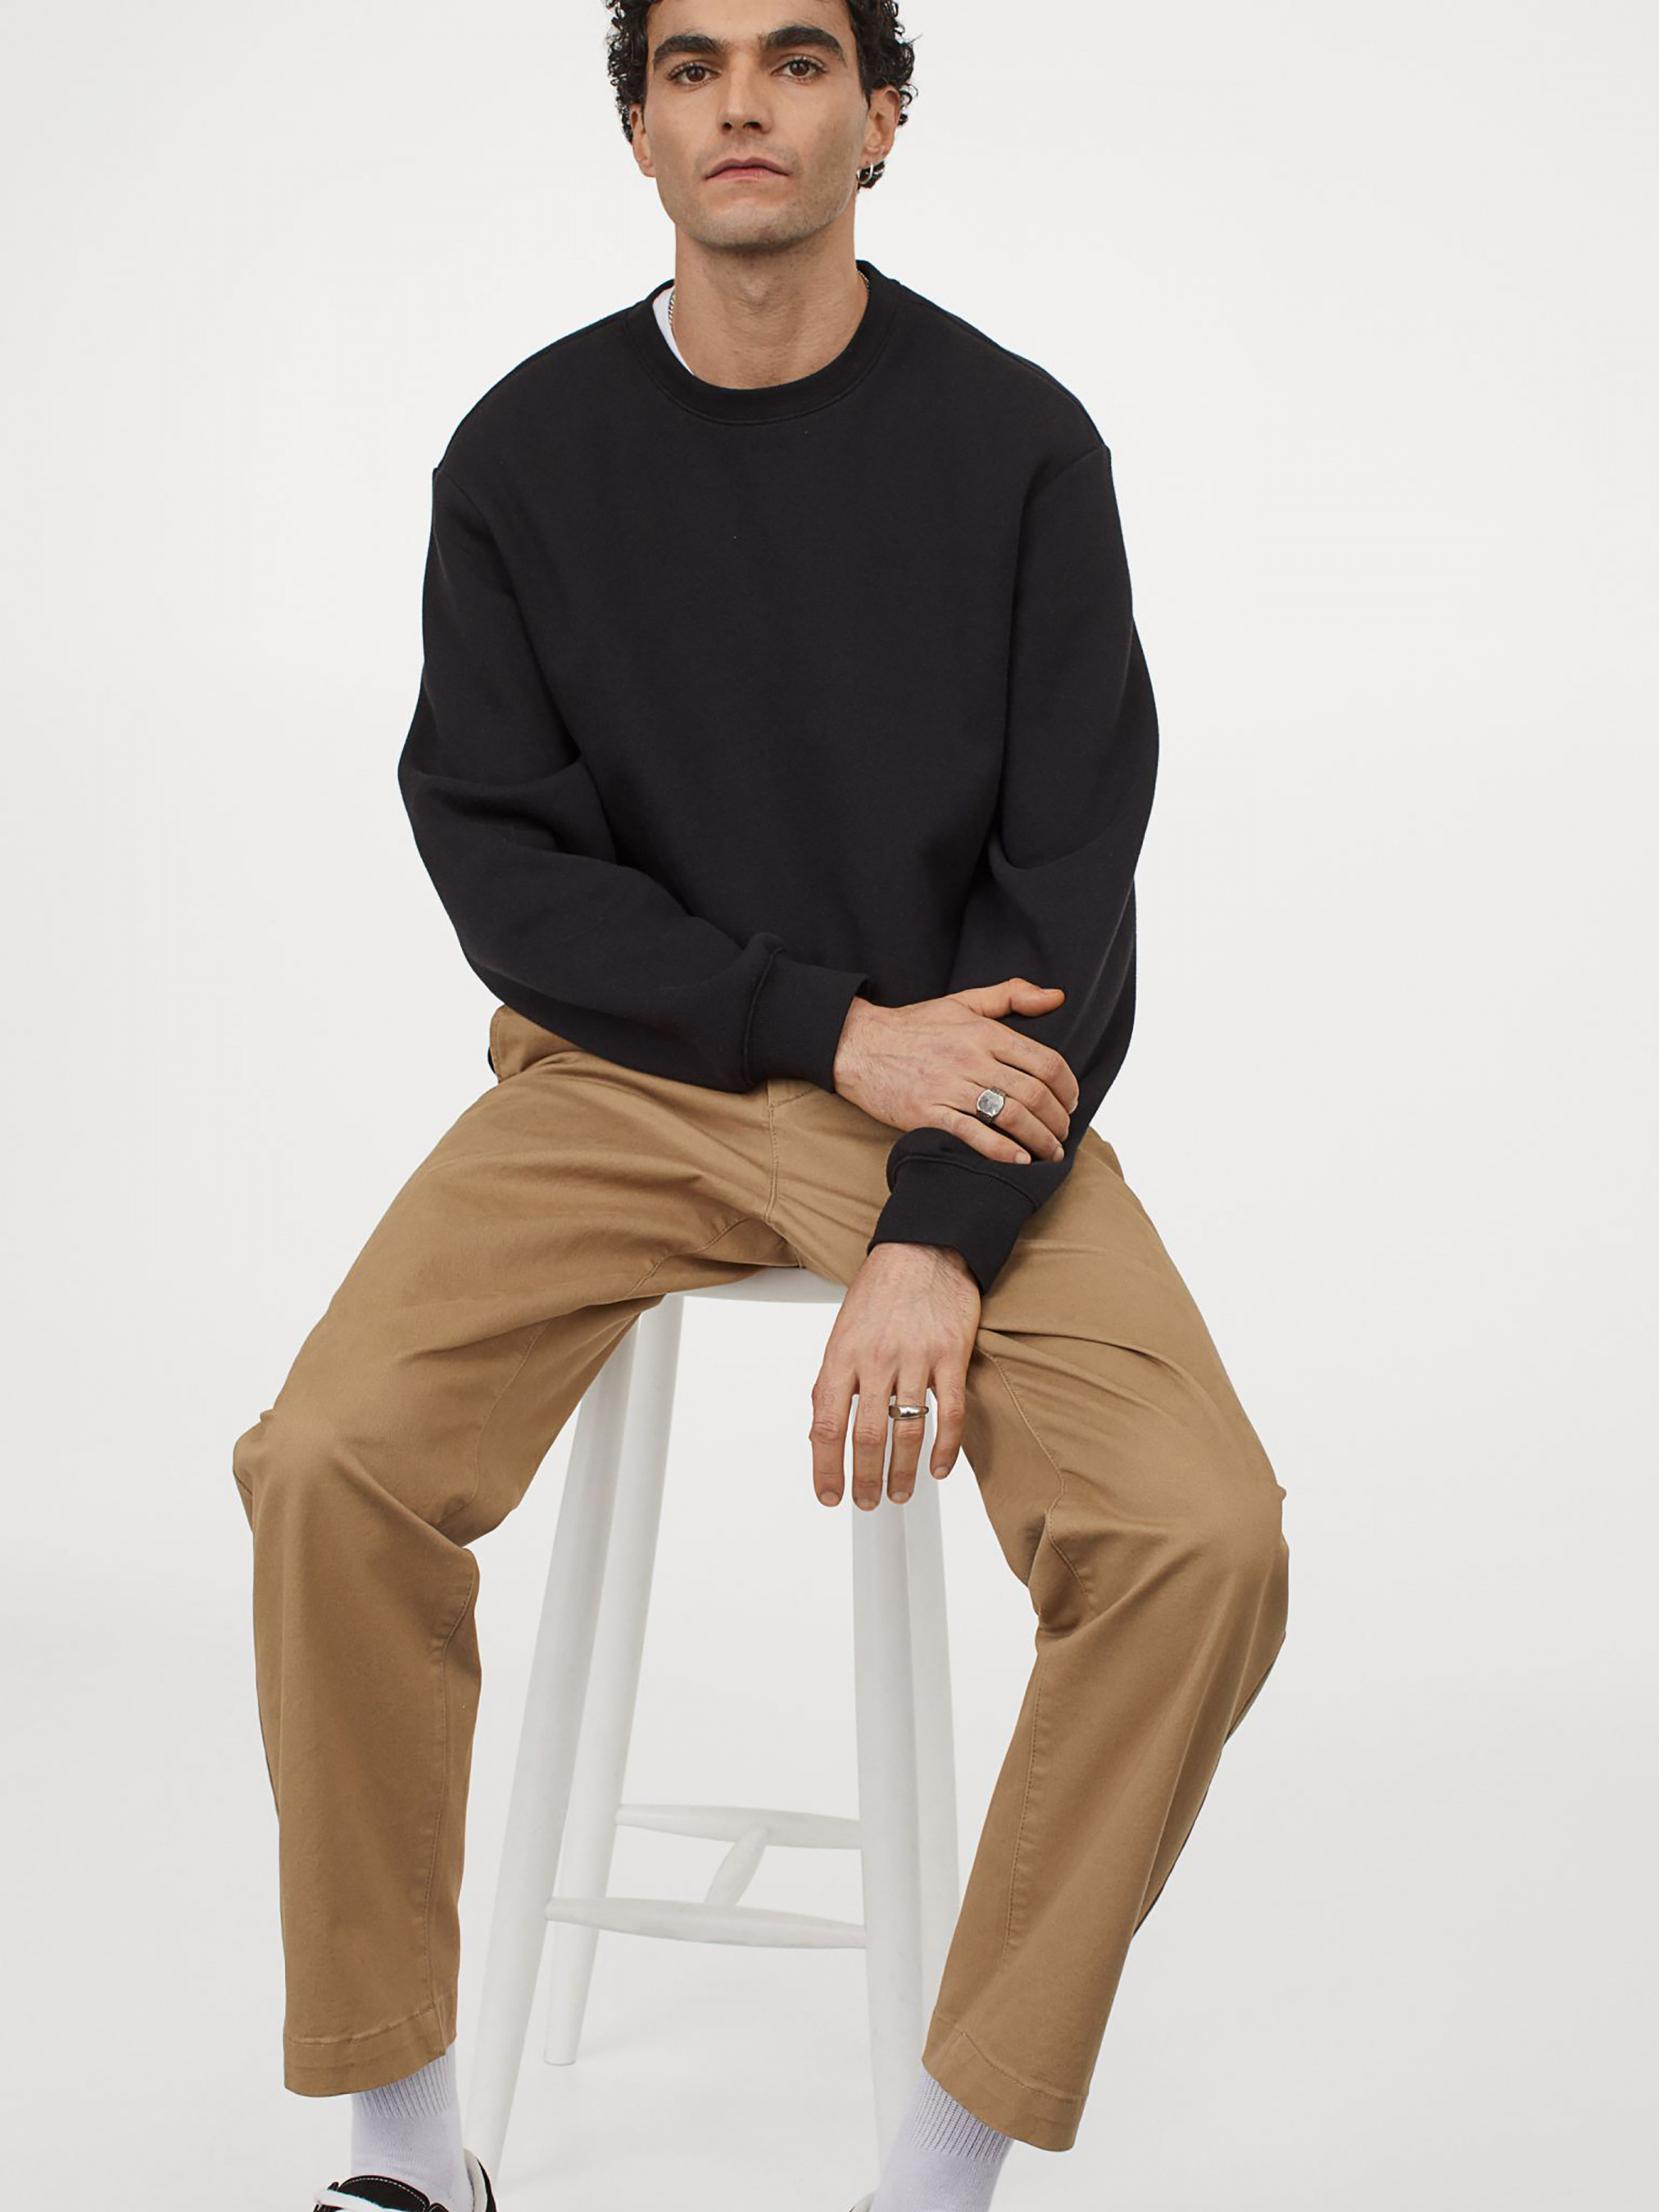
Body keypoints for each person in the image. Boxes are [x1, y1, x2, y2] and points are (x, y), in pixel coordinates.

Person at [230, 4, 1291, 2208]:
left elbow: (1071, 890)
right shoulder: (523, 455)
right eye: (692, 62)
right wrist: (823, 1025)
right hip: (624, 1082)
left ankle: (938, 2158)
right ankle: (405, 2145)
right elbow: (502, 868)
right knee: (329, 1463)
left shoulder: (1018, 449)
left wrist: (935, 1226)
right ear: (634, 122)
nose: (742, 102)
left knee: (1200, 1536)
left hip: (968, 1088)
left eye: (799, 58)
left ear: (880, 115)